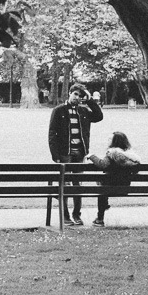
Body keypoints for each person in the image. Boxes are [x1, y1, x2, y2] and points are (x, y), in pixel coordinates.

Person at [48, 83, 103, 225]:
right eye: (75, 94)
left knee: (77, 185)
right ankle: (65, 216)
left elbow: (99, 116)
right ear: (70, 93)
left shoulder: (84, 111)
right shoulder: (59, 110)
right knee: (65, 185)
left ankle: (77, 215)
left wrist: (89, 99)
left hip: (80, 153)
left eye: (80, 95)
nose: (77, 98)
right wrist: (55, 154)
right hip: (64, 153)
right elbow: (52, 133)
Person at [86, 131, 142, 227]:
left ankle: (100, 219)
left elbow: (102, 165)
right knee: (102, 183)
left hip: (109, 189)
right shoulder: (131, 156)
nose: (107, 141)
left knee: (101, 188)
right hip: (125, 189)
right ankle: (104, 205)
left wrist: (91, 156)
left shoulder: (112, 153)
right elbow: (136, 170)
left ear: (115, 142)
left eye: (109, 139)